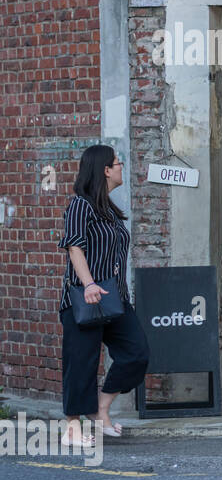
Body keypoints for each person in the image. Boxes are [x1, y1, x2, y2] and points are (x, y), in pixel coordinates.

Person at [57, 145, 150, 448]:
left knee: (137, 354)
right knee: (81, 363)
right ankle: (72, 426)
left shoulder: (108, 208)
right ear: (105, 170)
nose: (123, 167)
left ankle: (101, 410)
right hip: (85, 300)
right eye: (118, 163)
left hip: (114, 299)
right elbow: (74, 246)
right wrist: (88, 284)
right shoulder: (80, 205)